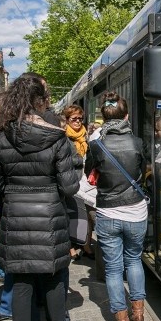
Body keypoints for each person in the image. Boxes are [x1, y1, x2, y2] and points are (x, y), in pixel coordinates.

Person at [0, 74, 82, 321]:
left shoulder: (0, 138)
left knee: (22, 286)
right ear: (41, 101)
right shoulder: (56, 137)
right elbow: (69, 187)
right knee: (53, 282)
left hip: (16, 218)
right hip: (50, 218)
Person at [84, 91, 148, 321]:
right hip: (136, 211)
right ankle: (139, 315)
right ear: (127, 116)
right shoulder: (138, 142)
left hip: (108, 212)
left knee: (112, 269)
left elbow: (89, 171)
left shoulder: (96, 145)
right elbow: (142, 171)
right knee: (134, 260)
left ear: (102, 118)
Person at [63, 104, 94, 259]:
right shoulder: (63, 137)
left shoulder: (85, 135)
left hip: (86, 181)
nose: (78, 121)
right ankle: (72, 247)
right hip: (72, 179)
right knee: (73, 214)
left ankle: (85, 243)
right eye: (74, 118)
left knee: (87, 215)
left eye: (80, 119)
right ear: (67, 120)